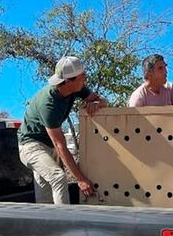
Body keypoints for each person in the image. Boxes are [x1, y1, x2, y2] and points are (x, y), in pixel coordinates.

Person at [17, 56, 108, 204]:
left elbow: (102, 101)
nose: (85, 78)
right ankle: (65, 224)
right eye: (82, 76)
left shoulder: (76, 88)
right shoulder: (48, 104)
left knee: (44, 200)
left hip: (49, 147)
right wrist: (80, 179)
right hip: (31, 146)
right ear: (68, 80)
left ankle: (45, 225)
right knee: (58, 177)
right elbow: (60, 144)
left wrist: (97, 103)